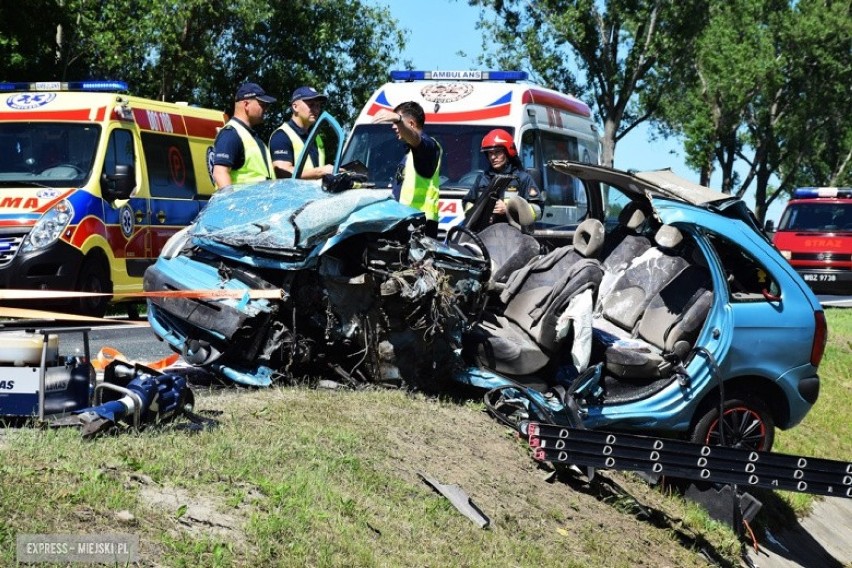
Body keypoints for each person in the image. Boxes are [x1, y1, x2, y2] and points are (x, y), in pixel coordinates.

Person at [372, 102, 442, 237]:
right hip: (408, 221)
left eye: (396, 122)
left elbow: (416, 139)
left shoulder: (428, 146)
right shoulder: (409, 153)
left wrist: (398, 120)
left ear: (410, 124)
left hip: (420, 224)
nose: (393, 126)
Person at [462, 129, 544, 228]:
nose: (493, 157)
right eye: (490, 153)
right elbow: (468, 203)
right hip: (484, 235)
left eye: (497, 152)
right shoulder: (482, 179)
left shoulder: (523, 179)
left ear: (508, 152)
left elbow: (538, 210)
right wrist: (480, 212)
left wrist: (508, 210)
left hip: (514, 236)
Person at [212, 82, 276, 189]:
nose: (266, 109)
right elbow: (220, 173)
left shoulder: (250, 136)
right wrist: (232, 203)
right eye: (262, 105)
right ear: (246, 105)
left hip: (259, 203)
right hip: (242, 205)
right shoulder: (231, 134)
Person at [270, 86, 334, 180]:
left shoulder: (316, 138)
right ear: (295, 107)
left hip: (315, 194)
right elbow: (283, 173)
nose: (316, 110)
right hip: (291, 194)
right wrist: (322, 171)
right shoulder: (281, 136)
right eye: (311, 105)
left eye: (318, 105)